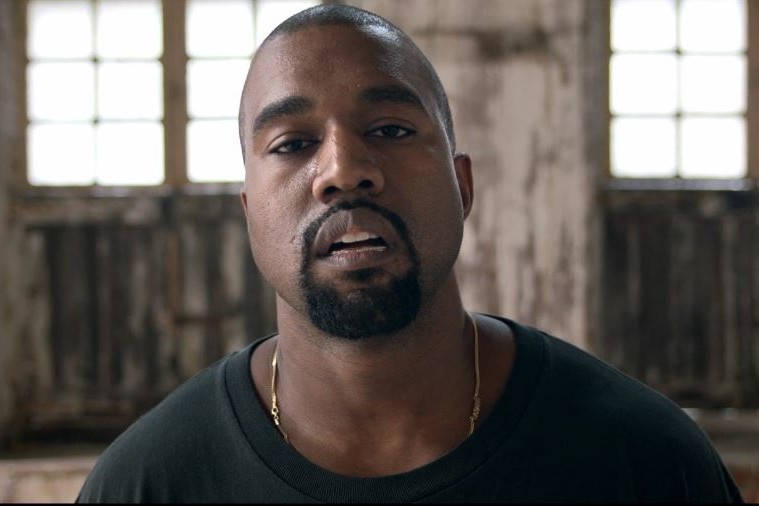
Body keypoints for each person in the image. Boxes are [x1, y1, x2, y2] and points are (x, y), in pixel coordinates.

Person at [77, 4, 743, 503]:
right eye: (292, 144)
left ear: (461, 186)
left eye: (390, 129)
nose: (344, 170)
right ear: (250, 213)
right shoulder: (148, 482)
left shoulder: (645, 461)